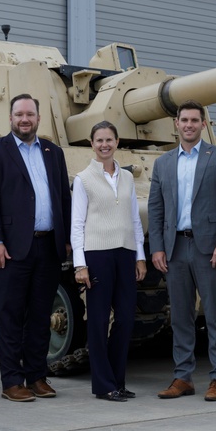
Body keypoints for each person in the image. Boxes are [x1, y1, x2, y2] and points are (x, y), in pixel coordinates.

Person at [0, 94, 72, 402]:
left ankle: (37, 375)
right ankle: (11, 381)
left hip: (48, 245)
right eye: (19, 114)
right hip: (11, 249)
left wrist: (67, 237)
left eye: (30, 114)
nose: (24, 119)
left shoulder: (53, 152)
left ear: (38, 118)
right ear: (10, 118)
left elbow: (63, 198)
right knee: (9, 314)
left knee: (40, 314)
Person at [148, 100, 216, 402]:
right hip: (175, 248)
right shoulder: (163, 163)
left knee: (214, 314)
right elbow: (156, 208)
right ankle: (182, 376)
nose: (188, 125)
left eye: (194, 120)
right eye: (184, 120)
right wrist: (158, 247)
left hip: (208, 248)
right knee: (180, 317)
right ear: (176, 124)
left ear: (202, 124)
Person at [71, 121, 147, 402]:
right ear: (92, 144)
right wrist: (80, 264)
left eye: (109, 140)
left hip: (125, 253)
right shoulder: (83, 179)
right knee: (99, 320)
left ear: (117, 142)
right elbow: (77, 224)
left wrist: (140, 256)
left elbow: (134, 219)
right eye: (99, 140)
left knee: (126, 319)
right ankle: (103, 385)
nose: (105, 144)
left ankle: (118, 380)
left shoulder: (127, 178)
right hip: (97, 254)